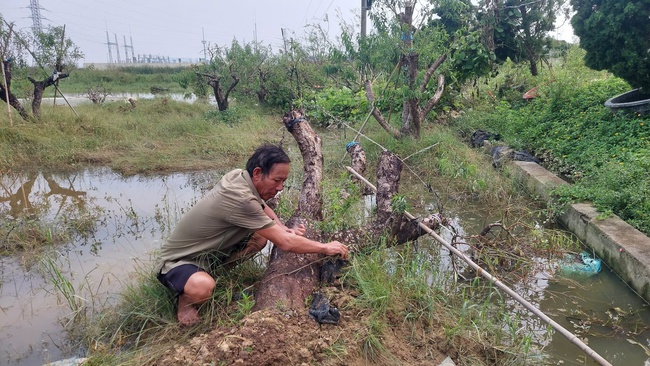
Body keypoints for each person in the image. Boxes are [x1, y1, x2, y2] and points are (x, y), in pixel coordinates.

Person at [155, 144, 349, 326]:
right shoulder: (240, 198)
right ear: (257, 173)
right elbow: (286, 244)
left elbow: (261, 207)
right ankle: (186, 300)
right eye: (277, 180)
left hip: (209, 255)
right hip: (179, 261)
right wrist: (324, 247)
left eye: (284, 181)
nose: (280, 187)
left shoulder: (239, 176)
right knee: (202, 288)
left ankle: (215, 273)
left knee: (260, 238)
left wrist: (282, 227)